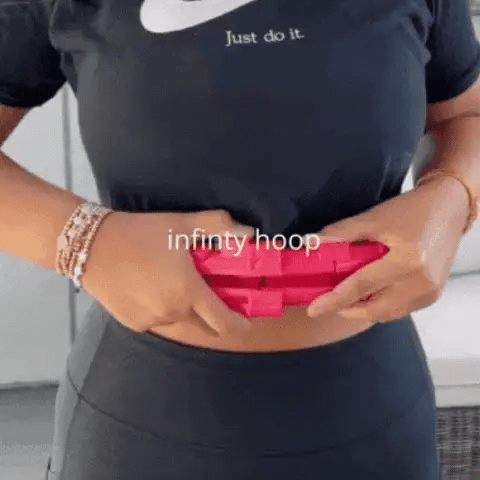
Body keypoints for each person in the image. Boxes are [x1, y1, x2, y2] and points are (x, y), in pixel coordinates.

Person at [1, 0, 480, 478]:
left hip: (374, 406)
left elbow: (464, 115)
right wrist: (86, 239)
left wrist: (451, 196)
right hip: (144, 417)